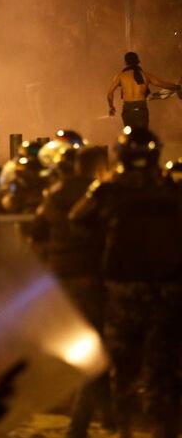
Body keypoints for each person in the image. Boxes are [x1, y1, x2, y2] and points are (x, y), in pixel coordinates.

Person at [71, 128, 182, 438]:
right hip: (169, 291)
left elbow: (77, 219)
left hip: (124, 291)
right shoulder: (172, 192)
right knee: (164, 369)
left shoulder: (108, 192)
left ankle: (126, 432)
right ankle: (167, 430)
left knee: (125, 367)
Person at [32, 146, 113, 438]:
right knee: (96, 350)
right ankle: (81, 424)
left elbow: (38, 230)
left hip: (60, 279)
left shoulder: (54, 192)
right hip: (90, 278)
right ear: (99, 166)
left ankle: (107, 415)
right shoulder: (100, 193)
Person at [107, 52, 180, 129]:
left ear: (125, 62)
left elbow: (110, 93)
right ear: (138, 61)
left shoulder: (120, 76)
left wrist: (111, 107)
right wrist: (178, 87)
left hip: (128, 110)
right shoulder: (146, 75)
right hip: (141, 109)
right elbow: (163, 84)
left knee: (130, 136)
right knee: (143, 136)